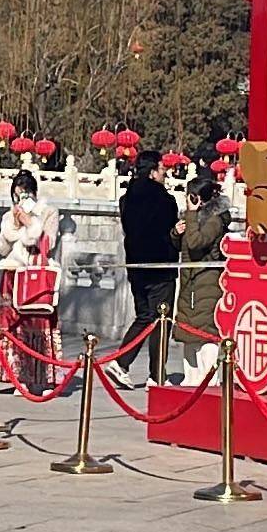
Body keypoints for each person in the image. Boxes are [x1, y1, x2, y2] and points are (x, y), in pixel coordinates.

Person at [0, 168, 64, 397]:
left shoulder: (48, 212)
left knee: (39, 326)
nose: (21, 199)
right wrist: (12, 227)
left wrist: (31, 222)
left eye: (25, 194)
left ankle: (43, 377)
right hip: (13, 274)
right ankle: (17, 377)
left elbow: (49, 242)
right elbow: (0, 248)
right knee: (14, 327)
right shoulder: (8, 216)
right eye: (17, 194)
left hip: (36, 273)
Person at [118, 154, 178, 378]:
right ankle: (156, 375)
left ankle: (121, 363)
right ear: (153, 172)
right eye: (162, 169)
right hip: (161, 269)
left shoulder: (126, 200)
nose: (165, 174)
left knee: (144, 316)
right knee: (162, 321)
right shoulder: (165, 201)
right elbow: (169, 234)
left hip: (136, 267)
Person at [174, 171, 231, 385]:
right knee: (189, 333)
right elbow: (185, 246)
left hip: (206, 283)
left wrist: (190, 216)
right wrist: (176, 232)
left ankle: (208, 380)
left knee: (206, 333)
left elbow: (197, 242)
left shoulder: (214, 220)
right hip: (190, 281)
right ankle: (191, 380)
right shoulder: (193, 219)